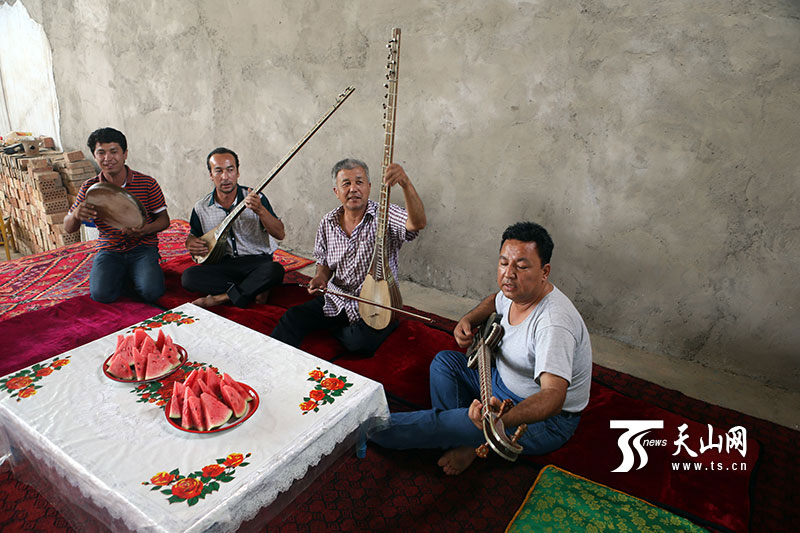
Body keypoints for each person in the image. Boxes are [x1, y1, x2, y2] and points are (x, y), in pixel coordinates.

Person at [370, 221, 592, 475]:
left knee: (444, 422)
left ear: (545, 272)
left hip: (544, 418)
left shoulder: (553, 324)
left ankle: (368, 430)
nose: (509, 274)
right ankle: (466, 440)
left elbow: (553, 398)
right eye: (503, 263)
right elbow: (495, 301)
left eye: (521, 266)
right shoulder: (516, 291)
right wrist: (468, 319)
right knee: (444, 363)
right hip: (501, 382)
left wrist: (498, 421)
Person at [271, 158, 426, 354]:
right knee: (292, 317)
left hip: (376, 302)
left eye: (359, 182)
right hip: (338, 297)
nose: (353, 189)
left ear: (369, 187)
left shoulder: (384, 215)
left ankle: (351, 329)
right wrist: (320, 278)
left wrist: (405, 183)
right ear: (336, 192)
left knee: (358, 343)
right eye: (346, 184)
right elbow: (324, 262)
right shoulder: (328, 221)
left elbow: (417, 223)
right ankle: (273, 362)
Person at [64, 127, 170, 303]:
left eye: (114, 151)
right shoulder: (90, 188)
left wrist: (144, 230)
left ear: (125, 154)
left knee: (152, 292)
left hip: (143, 247)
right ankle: (127, 274)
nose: (108, 158)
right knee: (101, 295)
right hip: (109, 248)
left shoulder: (147, 183)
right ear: (94, 155)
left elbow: (164, 220)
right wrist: (75, 215)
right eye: (101, 153)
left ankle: (134, 272)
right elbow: (68, 228)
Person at [182, 147, 286, 308]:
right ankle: (253, 288)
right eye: (218, 171)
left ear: (237, 172)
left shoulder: (256, 198)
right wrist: (190, 243)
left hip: (256, 263)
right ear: (211, 175)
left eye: (230, 170)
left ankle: (220, 298)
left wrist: (260, 210)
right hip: (224, 265)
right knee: (189, 277)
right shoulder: (201, 207)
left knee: (275, 270)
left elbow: (280, 234)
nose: (225, 177)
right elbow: (193, 235)